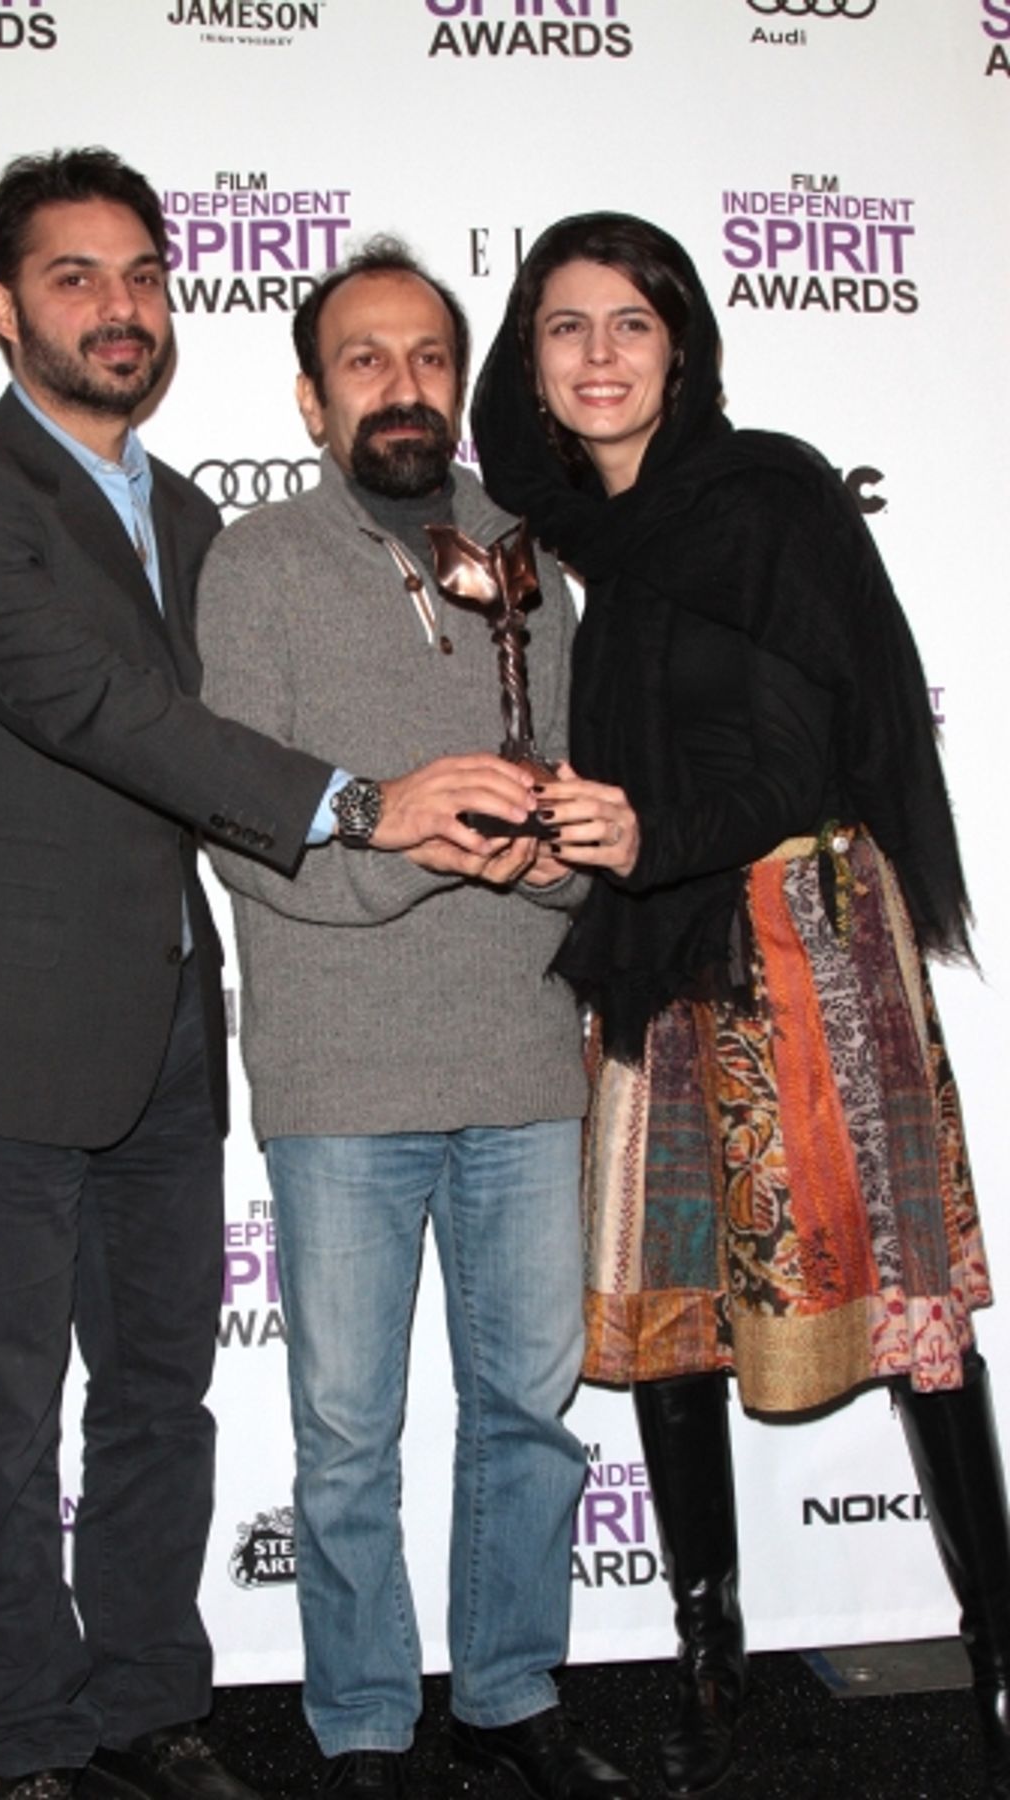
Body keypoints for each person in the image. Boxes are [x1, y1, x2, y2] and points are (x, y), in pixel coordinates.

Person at [0, 151, 541, 1800]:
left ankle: (151, 1697)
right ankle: (27, 1734)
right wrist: (367, 805)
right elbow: (98, 712)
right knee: (0, 1423)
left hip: (164, 1024)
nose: (119, 306)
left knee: (161, 1395)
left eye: (142, 274)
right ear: (4, 307)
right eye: (74, 277)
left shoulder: (199, 518)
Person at [471, 211, 1010, 1800]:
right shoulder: (579, 541)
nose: (597, 356)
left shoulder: (765, 499)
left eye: (630, 323)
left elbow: (801, 750)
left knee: (907, 1308)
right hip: (657, 944)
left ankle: (999, 1653)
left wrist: (656, 833)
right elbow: (502, 443)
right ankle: (711, 1666)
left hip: (799, 935)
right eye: (562, 326)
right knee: (677, 1302)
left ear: (683, 342)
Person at [196, 239, 638, 1800]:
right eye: (367, 361)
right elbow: (251, 833)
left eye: (430, 358)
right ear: (313, 398)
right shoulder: (255, 566)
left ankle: (510, 1695)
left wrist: (529, 863)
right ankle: (365, 1723)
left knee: (530, 1414)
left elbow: (580, 807)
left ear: (464, 384)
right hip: (340, 1070)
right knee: (345, 1436)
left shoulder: (531, 556)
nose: (404, 386)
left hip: (523, 1053)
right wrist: (411, 844)